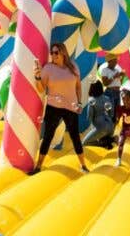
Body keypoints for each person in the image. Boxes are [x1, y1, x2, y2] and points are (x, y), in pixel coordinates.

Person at [30, 42, 89, 175]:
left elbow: (78, 87)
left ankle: (83, 165)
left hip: (70, 107)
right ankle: (38, 166)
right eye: (52, 53)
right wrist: (38, 77)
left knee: (75, 137)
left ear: (63, 53)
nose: (53, 55)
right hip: (53, 107)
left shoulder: (73, 66)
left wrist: (79, 103)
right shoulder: (48, 68)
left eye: (56, 52)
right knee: (48, 137)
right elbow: (41, 89)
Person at [82, 80, 115, 148]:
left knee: (84, 142)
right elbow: (111, 114)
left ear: (91, 88)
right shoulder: (107, 98)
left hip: (101, 128)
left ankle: (103, 144)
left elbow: (89, 116)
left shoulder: (91, 100)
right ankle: (110, 140)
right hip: (111, 127)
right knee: (99, 135)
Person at [99, 53, 125, 122]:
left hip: (117, 92)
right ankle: (108, 130)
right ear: (109, 61)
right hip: (110, 92)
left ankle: (112, 129)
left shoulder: (116, 70)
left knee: (117, 113)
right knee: (110, 114)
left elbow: (119, 84)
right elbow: (105, 83)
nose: (116, 62)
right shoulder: (105, 70)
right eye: (115, 60)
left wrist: (122, 76)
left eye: (116, 60)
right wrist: (114, 76)